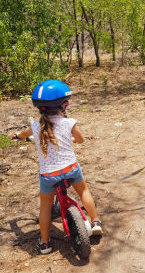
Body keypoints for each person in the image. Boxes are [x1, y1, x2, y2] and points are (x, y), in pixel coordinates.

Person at [9, 80, 102, 254]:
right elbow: (80, 139)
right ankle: (95, 221)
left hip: (48, 175)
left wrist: (16, 136)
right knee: (83, 191)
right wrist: (72, 139)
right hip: (70, 169)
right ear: (64, 105)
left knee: (45, 206)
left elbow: (22, 135)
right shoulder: (69, 123)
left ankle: (44, 243)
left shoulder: (36, 127)